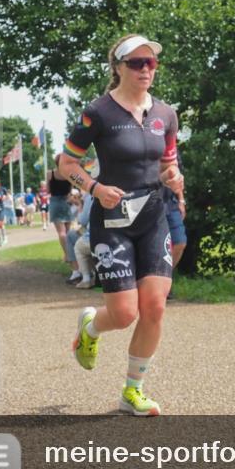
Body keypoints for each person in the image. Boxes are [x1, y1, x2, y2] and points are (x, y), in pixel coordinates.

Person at [59, 34, 184, 416]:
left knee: (155, 308)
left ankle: (133, 391)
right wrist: (95, 188)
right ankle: (91, 327)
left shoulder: (166, 114)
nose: (146, 69)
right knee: (125, 312)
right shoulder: (98, 112)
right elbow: (66, 166)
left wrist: (174, 178)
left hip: (153, 218)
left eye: (151, 63)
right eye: (136, 63)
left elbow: (168, 164)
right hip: (112, 222)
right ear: (117, 67)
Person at [47, 156, 75, 268]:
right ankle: (69, 255)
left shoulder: (50, 173)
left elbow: (48, 190)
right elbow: (71, 190)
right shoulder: (69, 174)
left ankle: (67, 255)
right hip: (66, 202)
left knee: (61, 232)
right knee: (67, 232)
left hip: (55, 202)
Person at [163, 150, 187, 268]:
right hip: (151, 202)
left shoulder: (171, 149)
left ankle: (165, 275)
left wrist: (181, 200)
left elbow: (177, 177)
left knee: (180, 242)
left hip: (170, 203)